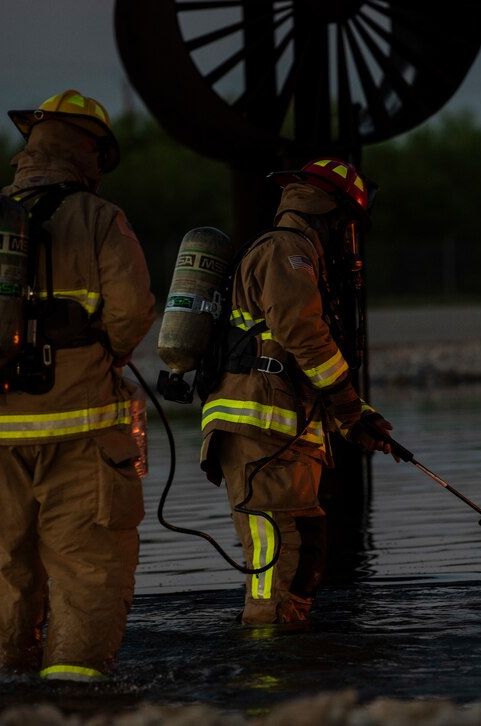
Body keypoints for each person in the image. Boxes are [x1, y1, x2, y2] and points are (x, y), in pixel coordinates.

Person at [0, 90, 157, 680]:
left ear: (30, 145)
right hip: (81, 433)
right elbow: (131, 313)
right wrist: (99, 353)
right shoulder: (104, 221)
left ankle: (1, 697)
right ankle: (77, 704)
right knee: (89, 571)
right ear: (92, 153)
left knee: (3, 573)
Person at [199, 157, 397, 626]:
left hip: (282, 434)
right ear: (327, 212)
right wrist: (348, 405)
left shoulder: (299, 257)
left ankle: (291, 664)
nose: (348, 238)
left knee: (303, 557)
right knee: (278, 566)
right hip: (261, 434)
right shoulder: (287, 252)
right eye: (346, 225)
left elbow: (302, 365)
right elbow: (303, 335)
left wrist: (357, 417)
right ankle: (268, 676)